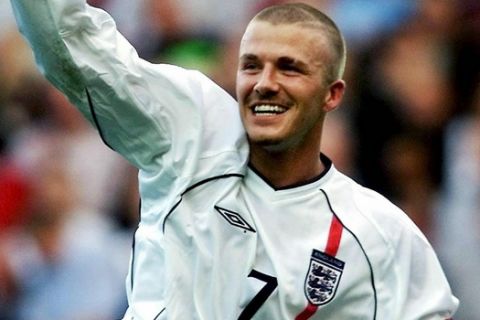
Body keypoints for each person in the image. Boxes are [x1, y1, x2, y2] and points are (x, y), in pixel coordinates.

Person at [11, 1, 458, 319]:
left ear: (332, 94)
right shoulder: (193, 129)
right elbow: (72, 45)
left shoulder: (380, 232)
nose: (265, 83)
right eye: (251, 66)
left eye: (289, 67)